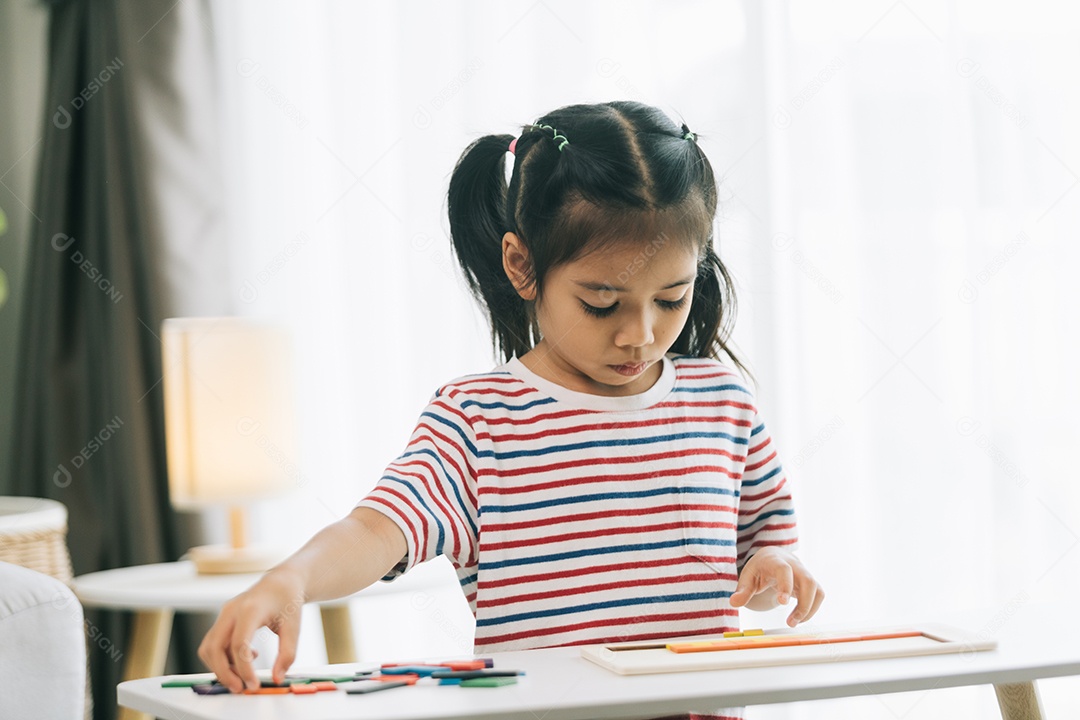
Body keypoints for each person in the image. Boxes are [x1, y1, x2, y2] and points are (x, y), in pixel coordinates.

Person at [199, 101, 824, 719]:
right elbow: (376, 531)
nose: (640, 333)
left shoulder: (724, 404)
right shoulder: (479, 421)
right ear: (522, 266)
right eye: (602, 303)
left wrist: (774, 570)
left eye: (671, 297)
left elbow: (764, 565)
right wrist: (292, 579)